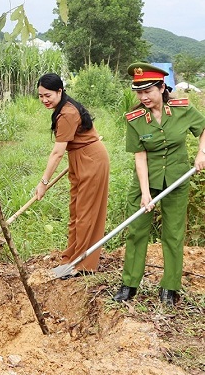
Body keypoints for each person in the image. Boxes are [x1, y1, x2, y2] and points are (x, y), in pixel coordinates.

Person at [113, 62, 205, 306]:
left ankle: (170, 287)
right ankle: (130, 284)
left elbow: (203, 127)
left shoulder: (182, 109)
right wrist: (145, 193)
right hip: (147, 181)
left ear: (162, 87)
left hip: (177, 179)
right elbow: (140, 157)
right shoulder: (134, 119)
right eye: (139, 92)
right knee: (137, 231)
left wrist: (201, 153)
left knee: (173, 234)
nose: (143, 97)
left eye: (148, 91)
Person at [35, 73, 110, 277]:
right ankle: (71, 258)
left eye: (48, 95)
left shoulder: (67, 113)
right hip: (79, 158)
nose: (44, 100)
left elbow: (58, 152)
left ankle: (82, 266)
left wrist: (43, 182)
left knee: (86, 213)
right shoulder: (63, 109)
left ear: (60, 91)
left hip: (91, 160)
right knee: (76, 211)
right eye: (40, 96)